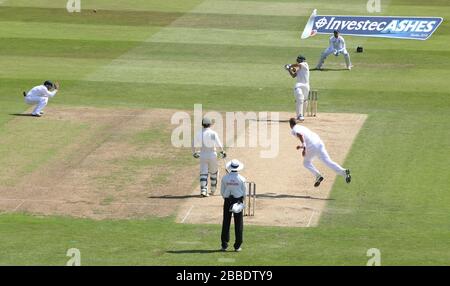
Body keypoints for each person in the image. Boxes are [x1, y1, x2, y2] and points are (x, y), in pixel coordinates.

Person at [289, 118, 351, 187]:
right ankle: (344, 172)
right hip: (319, 143)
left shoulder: (294, 130)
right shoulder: (302, 127)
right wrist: (301, 146)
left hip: (312, 147)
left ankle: (318, 175)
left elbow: (300, 135)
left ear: (290, 125)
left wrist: (304, 147)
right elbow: (307, 138)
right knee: (328, 162)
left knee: (306, 163)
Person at [192, 117, 226, 197]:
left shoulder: (199, 133)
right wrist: (222, 151)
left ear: (202, 124)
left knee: (203, 172)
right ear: (210, 124)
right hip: (212, 155)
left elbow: (193, 144)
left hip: (203, 154)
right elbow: (218, 144)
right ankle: (213, 190)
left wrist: (194, 153)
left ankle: (203, 190)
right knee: (213, 172)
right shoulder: (213, 133)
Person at [220, 159, 246, 252]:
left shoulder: (225, 178)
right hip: (238, 200)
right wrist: (241, 201)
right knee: (238, 223)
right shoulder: (242, 179)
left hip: (227, 200)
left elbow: (222, 192)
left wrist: (227, 199)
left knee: (226, 222)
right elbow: (244, 193)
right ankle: (237, 246)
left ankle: (224, 245)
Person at [284, 55, 310, 122]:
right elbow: (293, 75)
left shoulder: (305, 64)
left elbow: (297, 65)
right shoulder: (298, 67)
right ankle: (299, 115)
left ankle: (302, 115)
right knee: (300, 97)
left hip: (306, 85)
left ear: (300, 60)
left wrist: (290, 65)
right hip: (299, 84)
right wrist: (289, 70)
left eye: (298, 59)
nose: (297, 61)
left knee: (305, 100)